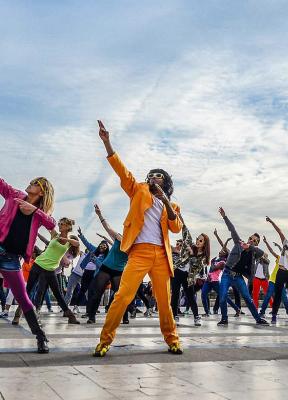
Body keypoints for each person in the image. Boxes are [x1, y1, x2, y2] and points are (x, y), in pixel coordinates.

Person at [93, 120, 183, 357]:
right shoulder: (138, 189)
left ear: (166, 182)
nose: (154, 177)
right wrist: (107, 143)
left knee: (164, 301)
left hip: (162, 256)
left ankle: (172, 340)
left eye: (159, 175)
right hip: (140, 252)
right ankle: (104, 341)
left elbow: (176, 228)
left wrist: (164, 200)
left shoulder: (171, 204)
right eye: (151, 175)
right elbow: (122, 171)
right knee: (122, 296)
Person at [0, 176, 55, 353]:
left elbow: (51, 223)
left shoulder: (40, 214)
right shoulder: (14, 195)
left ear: (41, 191)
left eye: (35, 183)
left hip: (11, 258)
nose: (30, 183)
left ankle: (41, 337)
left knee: (23, 299)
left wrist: (34, 210)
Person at [22, 218, 80, 324]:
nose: (59, 225)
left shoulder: (69, 241)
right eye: (59, 224)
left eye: (62, 224)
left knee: (57, 293)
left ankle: (69, 314)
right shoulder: (55, 235)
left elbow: (76, 243)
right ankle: (26, 312)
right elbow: (48, 225)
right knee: (29, 289)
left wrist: (65, 239)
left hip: (51, 269)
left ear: (68, 227)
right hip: (38, 264)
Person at [216, 207, 268, 326]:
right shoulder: (239, 243)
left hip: (238, 277)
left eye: (255, 241)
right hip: (227, 274)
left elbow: (261, 253)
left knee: (247, 298)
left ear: (256, 244)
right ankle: (224, 319)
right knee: (223, 297)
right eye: (251, 238)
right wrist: (224, 217)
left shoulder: (254, 253)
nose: (251, 241)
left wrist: (249, 248)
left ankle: (258, 319)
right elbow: (232, 229)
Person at [85, 205, 129, 325]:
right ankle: (92, 317)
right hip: (106, 268)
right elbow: (107, 227)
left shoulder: (134, 246)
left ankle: (125, 317)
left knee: (120, 295)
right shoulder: (119, 237)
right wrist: (99, 214)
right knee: (97, 293)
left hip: (119, 271)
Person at [171, 220, 209, 326]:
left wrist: (192, 255)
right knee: (175, 294)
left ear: (205, 243)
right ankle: (175, 316)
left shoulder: (203, 257)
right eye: (198, 239)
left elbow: (196, 268)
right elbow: (185, 230)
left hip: (189, 276)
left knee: (190, 296)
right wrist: (179, 215)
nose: (198, 241)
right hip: (177, 271)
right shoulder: (189, 244)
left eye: (201, 241)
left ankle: (196, 317)